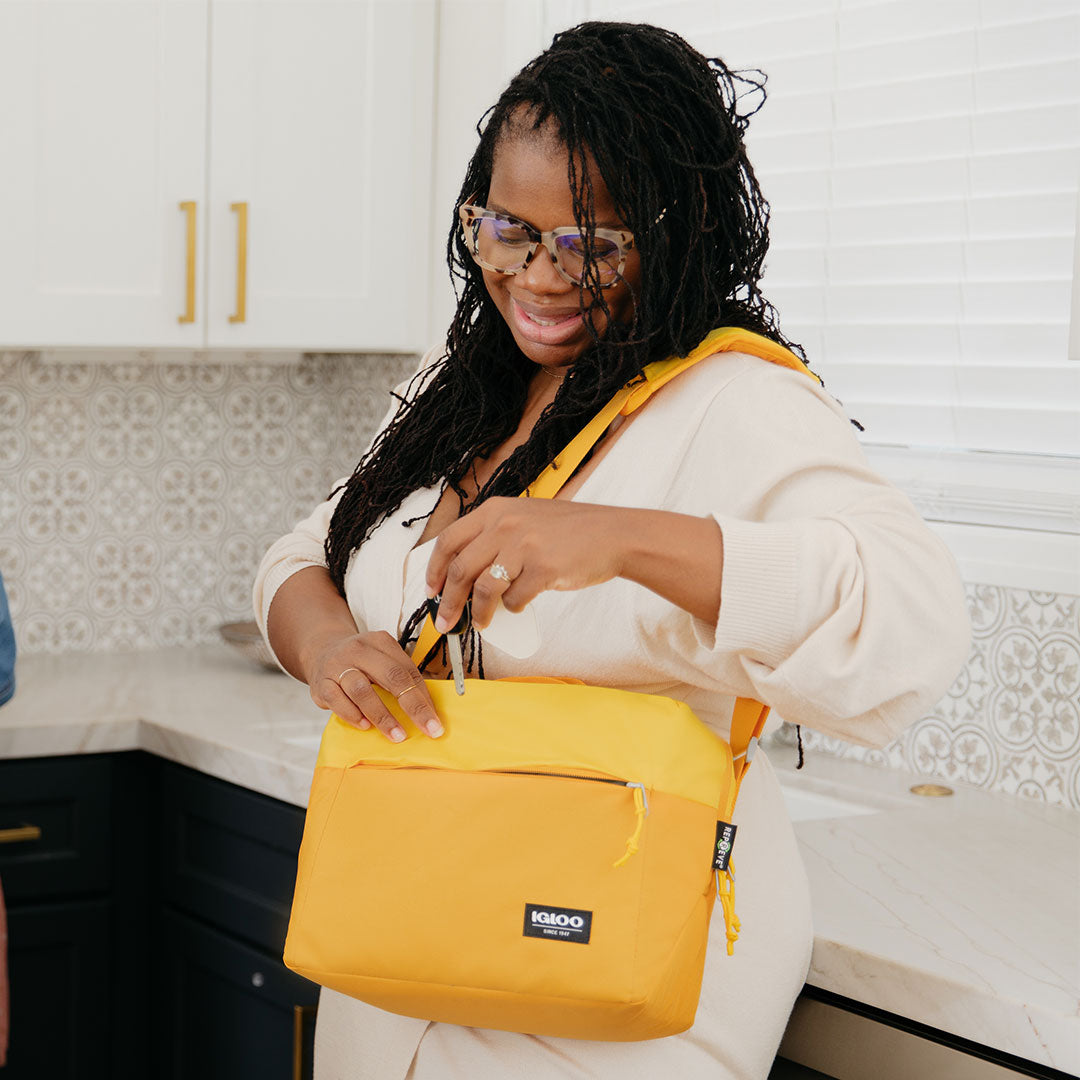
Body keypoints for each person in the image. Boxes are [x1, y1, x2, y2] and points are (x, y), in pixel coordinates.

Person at [254, 21, 970, 1080]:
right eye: (507, 229)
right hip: (409, 940)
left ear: (676, 235)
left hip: (623, 971)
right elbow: (305, 554)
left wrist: (621, 540)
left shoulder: (736, 402)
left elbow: (915, 625)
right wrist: (325, 650)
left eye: (592, 244)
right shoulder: (459, 382)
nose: (538, 277)